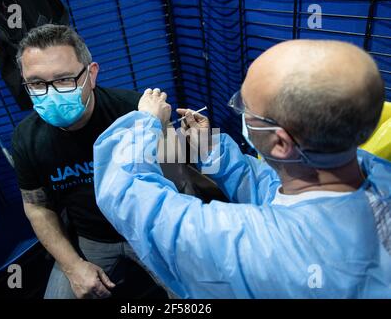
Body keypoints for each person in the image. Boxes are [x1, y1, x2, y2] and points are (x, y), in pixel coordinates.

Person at [93, 40, 391, 298]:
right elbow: (272, 188)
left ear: (281, 142)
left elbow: (128, 194)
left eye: (245, 108)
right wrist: (210, 148)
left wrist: (143, 122)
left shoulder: (248, 243)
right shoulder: (373, 174)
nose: (240, 112)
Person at [12, 24, 184, 299]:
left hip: (150, 231)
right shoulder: (26, 138)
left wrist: (162, 132)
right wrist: (72, 266)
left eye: (65, 79)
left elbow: (180, 180)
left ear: (91, 74)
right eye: (36, 83)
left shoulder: (135, 111)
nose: (51, 93)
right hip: (91, 239)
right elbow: (36, 207)